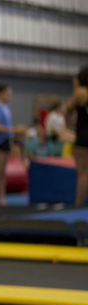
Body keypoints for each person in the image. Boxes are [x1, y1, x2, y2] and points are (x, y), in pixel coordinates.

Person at [67, 65, 88, 207]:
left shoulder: (81, 92)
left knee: (82, 172)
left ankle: (79, 203)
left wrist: (75, 87)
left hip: (83, 136)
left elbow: (68, 107)